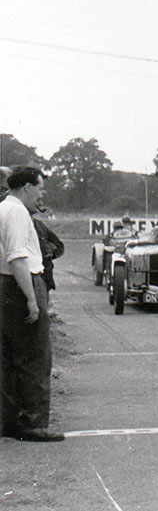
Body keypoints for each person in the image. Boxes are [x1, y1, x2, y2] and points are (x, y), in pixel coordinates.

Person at [0, 166, 63, 441]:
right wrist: (31, 299)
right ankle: (34, 423)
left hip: (5, 286)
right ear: (26, 187)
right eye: (39, 188)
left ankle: (9, 421)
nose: (41, 194)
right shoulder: (16, 213)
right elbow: (17, 257)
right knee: (34, 356)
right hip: (20, 283)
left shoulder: (3, 208)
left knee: (7, 359)